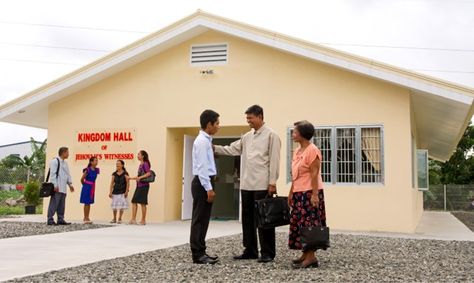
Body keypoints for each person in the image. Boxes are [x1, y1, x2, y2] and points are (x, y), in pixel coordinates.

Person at [214, 105, 281, 263]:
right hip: (247, 184)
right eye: (247, 118)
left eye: (250, 118)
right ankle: (250, 250)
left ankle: (268, 252)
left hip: (262, 184)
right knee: (247, 219)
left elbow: (275, 160)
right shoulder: (247, 137)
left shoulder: (272, 135)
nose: (248, 121)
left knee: (264, 220)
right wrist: (213, 148)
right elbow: (232, 149)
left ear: (260, 116)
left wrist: (272, 182)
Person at [288, 120, 327, 269]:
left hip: (310, 192)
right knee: (299, 224)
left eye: (295, 131)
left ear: (303, 134)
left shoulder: (313, 150)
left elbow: (314, 173)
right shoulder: (297, 151)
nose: (293, 134)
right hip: (299, 192)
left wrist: (315, 195)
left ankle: (311, 257)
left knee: (309, 224)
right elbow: (295, 174)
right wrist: (291, 191)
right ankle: (305, 253)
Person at [190, 109, 220, 264]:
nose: (218, 127)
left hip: (205, 181)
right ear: (209, 124)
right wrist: (208, 187)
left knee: (204, 219)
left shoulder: (207, 140)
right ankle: (197, 254)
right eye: (217, 123)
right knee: (199, 219)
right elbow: (202, 167)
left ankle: (202, 250)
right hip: (202, 183)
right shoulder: (201, 141)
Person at [47, 147, 75, 226]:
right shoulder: (55, 161)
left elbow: (67, 174)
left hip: (63, 188)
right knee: (54, 203)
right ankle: (50, 219)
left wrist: (70, 185)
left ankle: (60, 219)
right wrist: (55, 185)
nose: (68, 154)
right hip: (57, 187)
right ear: (63, 153)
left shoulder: (65, 163)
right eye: (67, 152)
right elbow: (52, 174)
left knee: (61, 205)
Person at [129, 150, 152, 225]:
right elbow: (139, 176)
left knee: (143, 203)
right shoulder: (140, 165)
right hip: (139, 186)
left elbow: (149, 173)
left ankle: (143, 220)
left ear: (143, 156)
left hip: (144, 186)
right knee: (134, 201)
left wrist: (140, 177)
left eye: (139, 154)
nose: (137, 155)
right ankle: (133, 219)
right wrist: (131, 178)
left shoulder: (145, 164)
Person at [79, 156, 100, 224]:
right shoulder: (87, 170)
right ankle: (85, 217)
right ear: (91, 162)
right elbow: (82, 179)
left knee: (89, 202)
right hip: (87, 187)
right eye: (95, 160)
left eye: (97, 160)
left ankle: (88, 217)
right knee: (86, 202)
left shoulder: (97, 170)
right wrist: (85, 185)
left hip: (92, 187)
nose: (96, 162)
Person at [109, 160, 130, 224]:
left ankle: (120, 218)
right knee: (114, 206)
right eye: (116, 164)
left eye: (119, 164)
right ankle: (114, 218)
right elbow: (112, 183)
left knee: (121, 206)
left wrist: (127, 191)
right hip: (115, 191)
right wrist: (110, 192)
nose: (117, 165)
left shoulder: (125, 174)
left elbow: (128, 183)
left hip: (122, 192)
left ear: (122, 165)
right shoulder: (114, 174)